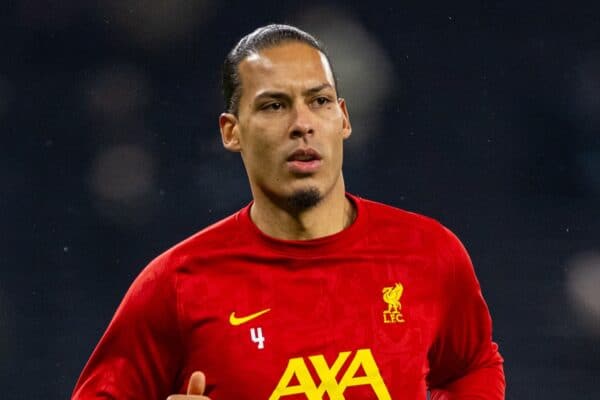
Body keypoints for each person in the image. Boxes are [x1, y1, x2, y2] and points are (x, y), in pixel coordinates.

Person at [72, 24, 505, 400]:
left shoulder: (427, 254)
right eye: (274, 105)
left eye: (319, 101)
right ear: (231, 132)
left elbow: (472, 365)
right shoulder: (177, 285)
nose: (303, 123)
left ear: (344, 119)